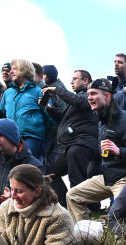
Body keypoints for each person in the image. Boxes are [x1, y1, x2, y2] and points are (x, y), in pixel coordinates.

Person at [65, 78, 126, 223]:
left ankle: (119, 243)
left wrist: (119, 151)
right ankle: (84, 236)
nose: (88, 98)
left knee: (120, 214)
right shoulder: (102, 121)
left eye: (93, 94)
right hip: (107, 177)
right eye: (88, 94)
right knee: (73, 195)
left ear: (107, 96)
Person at [40, 70, 100, 208]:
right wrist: (49, 108)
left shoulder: (89, 95)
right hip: (71, 146)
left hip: (81, 144)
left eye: (75, 79)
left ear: (86, 81)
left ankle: (84, 209)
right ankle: (68, 206)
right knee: (50, 175)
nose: (71, 82)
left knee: (77, 178)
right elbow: (64, 120)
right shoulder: (77, 99)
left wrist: (57, 90)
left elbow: (80, 102)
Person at [0, 60, 48, 162]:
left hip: (32, 139)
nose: (11, 72)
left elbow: (49, 118)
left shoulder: (39, 92)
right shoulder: (8, 92)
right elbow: (1, 114)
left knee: (25, 172)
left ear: (25, 71)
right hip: (10, 138)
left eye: (14, 69)